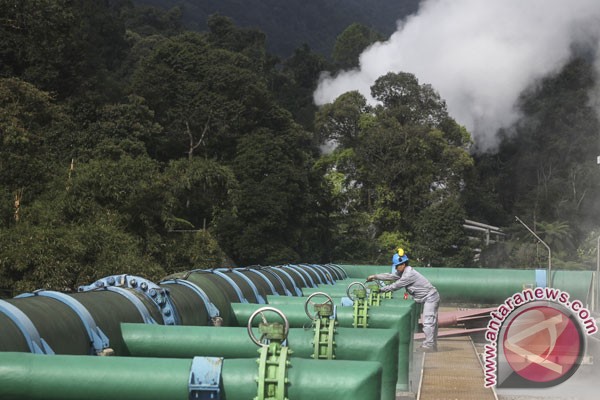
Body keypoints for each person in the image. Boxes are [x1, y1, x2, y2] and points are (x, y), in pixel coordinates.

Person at [367, 251, 440, 352]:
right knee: (432, 322)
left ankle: (429, 345)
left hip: (430, 297)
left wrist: (380, 290)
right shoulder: (403, 272)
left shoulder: (408, 275)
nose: (396, 268)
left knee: (428, 321)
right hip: (429, 297)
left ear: (403, 264)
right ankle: (432, 344)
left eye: (397, 266)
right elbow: (391, 276)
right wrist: (375, 276)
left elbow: (396, 286)